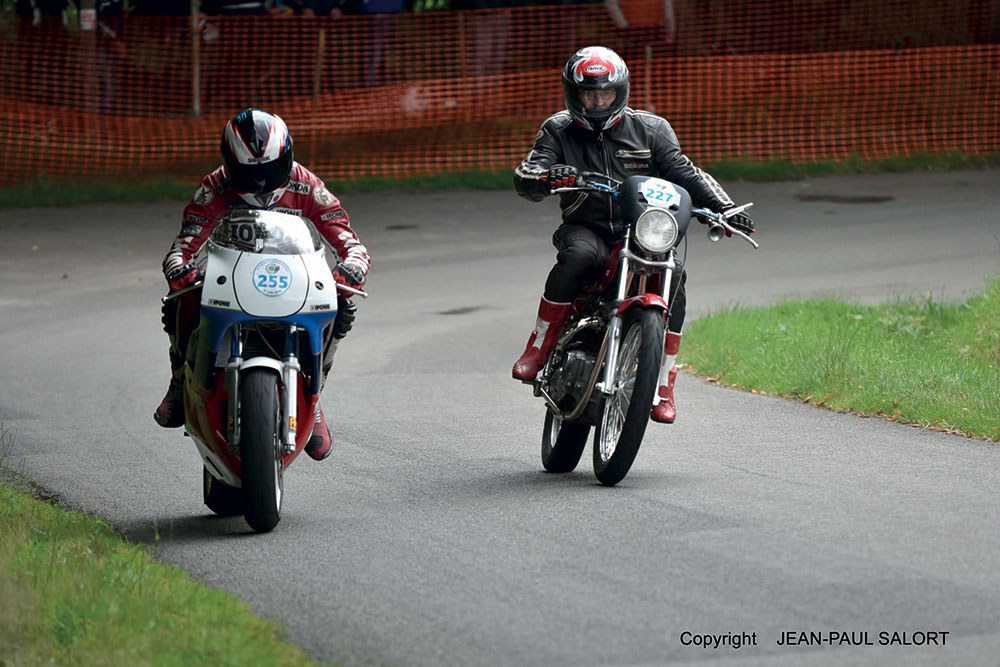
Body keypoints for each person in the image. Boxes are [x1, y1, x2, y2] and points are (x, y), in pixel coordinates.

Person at [512, 46, 754, 424]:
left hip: (642, 229)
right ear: (573, 94)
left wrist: (725, 209)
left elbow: (685, 173)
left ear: (619, 92)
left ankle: (663, 382)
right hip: (586, 228)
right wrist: (546, 177)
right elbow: (528, 173)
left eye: (604, 94)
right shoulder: (558, 129)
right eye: (587, 94)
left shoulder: (652, 129)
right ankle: (540, 344)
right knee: (579, 256)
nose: (595, 102)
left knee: (676, 275)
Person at [154, 108, 371, 462]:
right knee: (180, 299)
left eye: (268, 171)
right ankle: (180, 380)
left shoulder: (307, 185)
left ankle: (313, 399)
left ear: (286, 157)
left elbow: (350, 241)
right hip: (230, 277)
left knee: (342, 304)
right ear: (229, 163)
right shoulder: (214, 187)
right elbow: (183, 245)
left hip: (292, 276)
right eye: (248, 174)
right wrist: (179, 269)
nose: (260, 184)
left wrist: (352, 267)